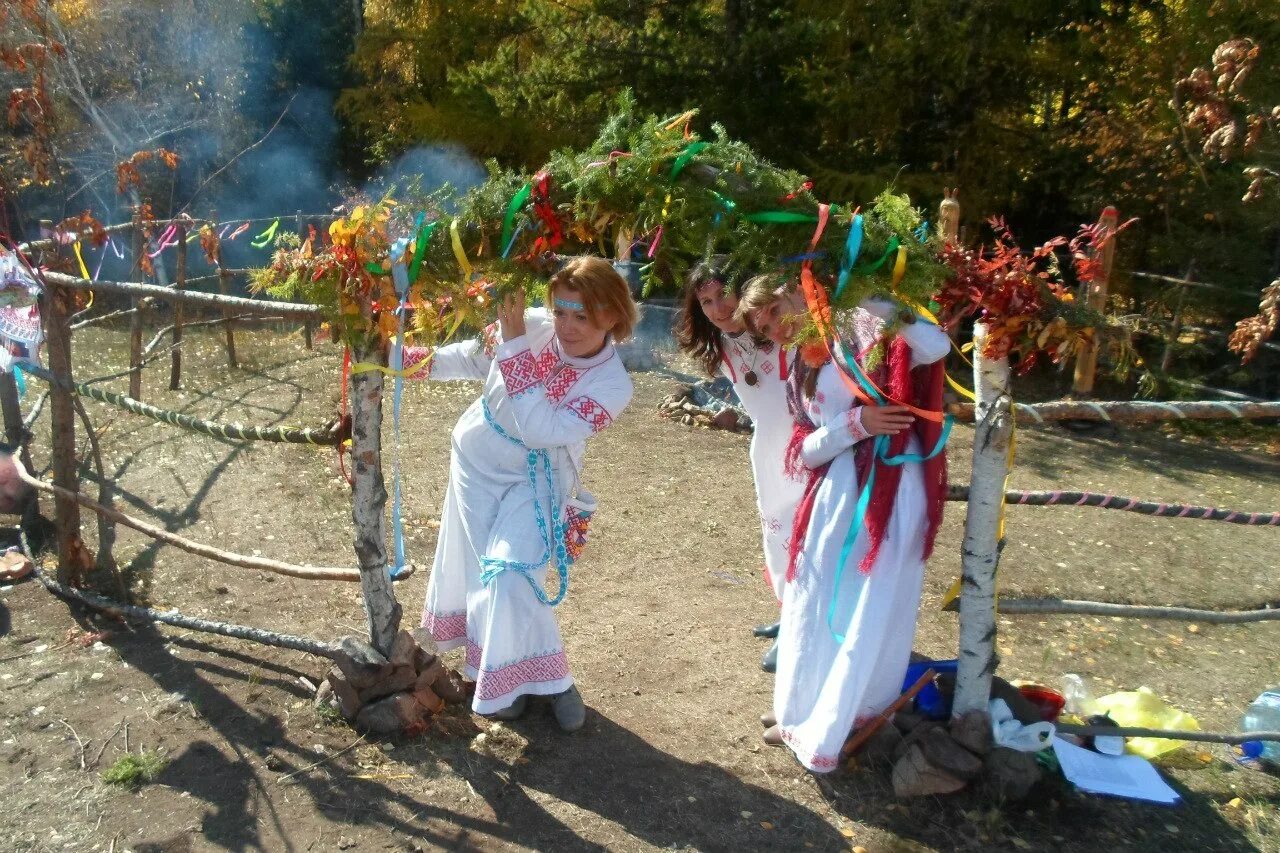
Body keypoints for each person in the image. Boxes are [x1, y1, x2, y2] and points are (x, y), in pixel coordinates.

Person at [405, 256, 637, 731]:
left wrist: (512, 348)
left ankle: (549, 681)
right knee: (485, 578)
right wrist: (390, 359)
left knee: (514, 574)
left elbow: (539, 429)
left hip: (542, 481)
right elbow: (465, 357)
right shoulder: (531, 325)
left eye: (582, 315)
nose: (567, 327)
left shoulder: (615, 384)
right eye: (561, 311)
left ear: (612, 316)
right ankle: (511, 681)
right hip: (477, 462)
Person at [735, 274, 950, 773]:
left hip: (889, 495)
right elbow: (806, 451)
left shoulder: (861, 329)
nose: (774, 328)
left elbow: (935, 344)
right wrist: (855, 425)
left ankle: (842, 718)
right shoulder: (801, 371)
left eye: (774, 310)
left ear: (797, 290)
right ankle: (802, 711)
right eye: (762, 326)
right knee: (814, 602)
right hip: (835, 496)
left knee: (863, 602)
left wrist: (863, 290)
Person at [674, 258, 804, 672]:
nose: (717, 308)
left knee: (810, 537)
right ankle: (789, 614)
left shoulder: (782, 331)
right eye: (706, 301)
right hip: (767, 451)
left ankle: (805, 630)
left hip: (810, 448)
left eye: (722, 294)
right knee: (778, 535)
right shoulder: (723, 346)